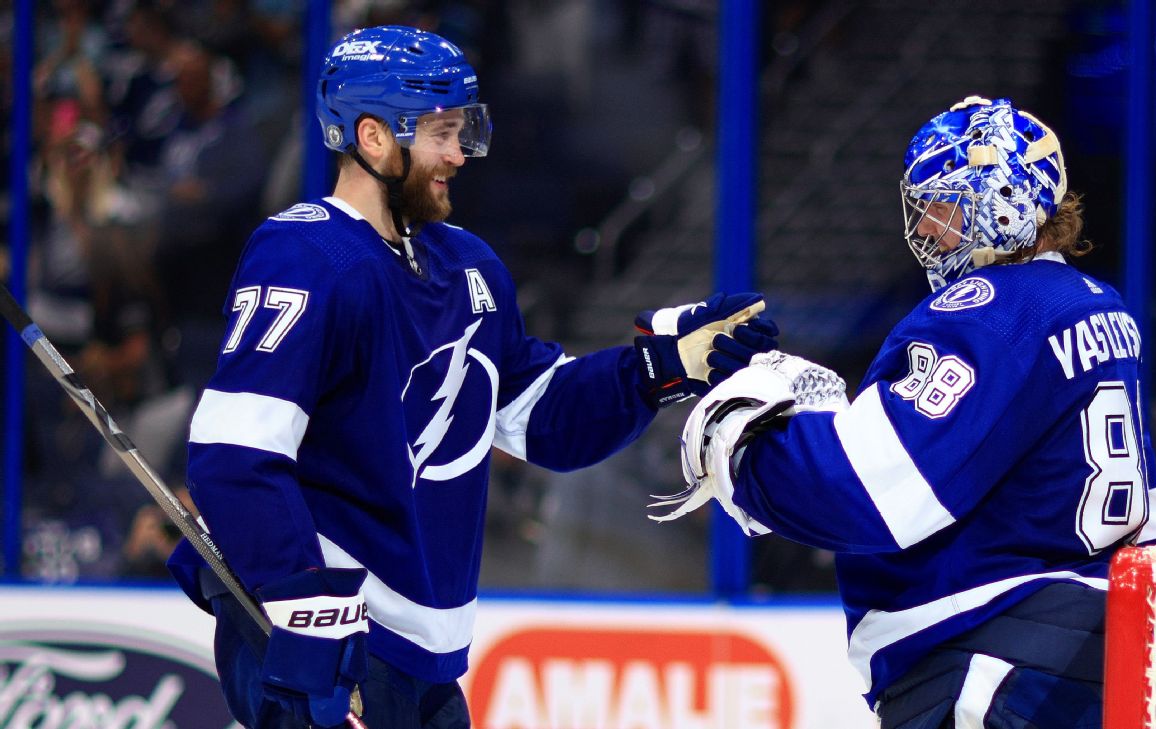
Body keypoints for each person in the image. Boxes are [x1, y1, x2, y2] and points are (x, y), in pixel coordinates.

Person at [166, 25, 777, 729]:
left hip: (423, 661)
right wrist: (306, 608)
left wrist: (658, 367)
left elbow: (538, 417)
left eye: (463, 131)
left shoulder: (470, 267)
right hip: (323, 641)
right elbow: (235, 454)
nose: (459, 154)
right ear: (372, 137)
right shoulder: (307, 256)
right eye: (441, 133)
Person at [661, 96, 1156, 728]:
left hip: (994, 665)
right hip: (1090, 663)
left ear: (1004, 206)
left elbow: (865, 494)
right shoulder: (1098, 306)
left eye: (947, 206)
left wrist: (743, 438)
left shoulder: (993, 309)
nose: (927, 229)